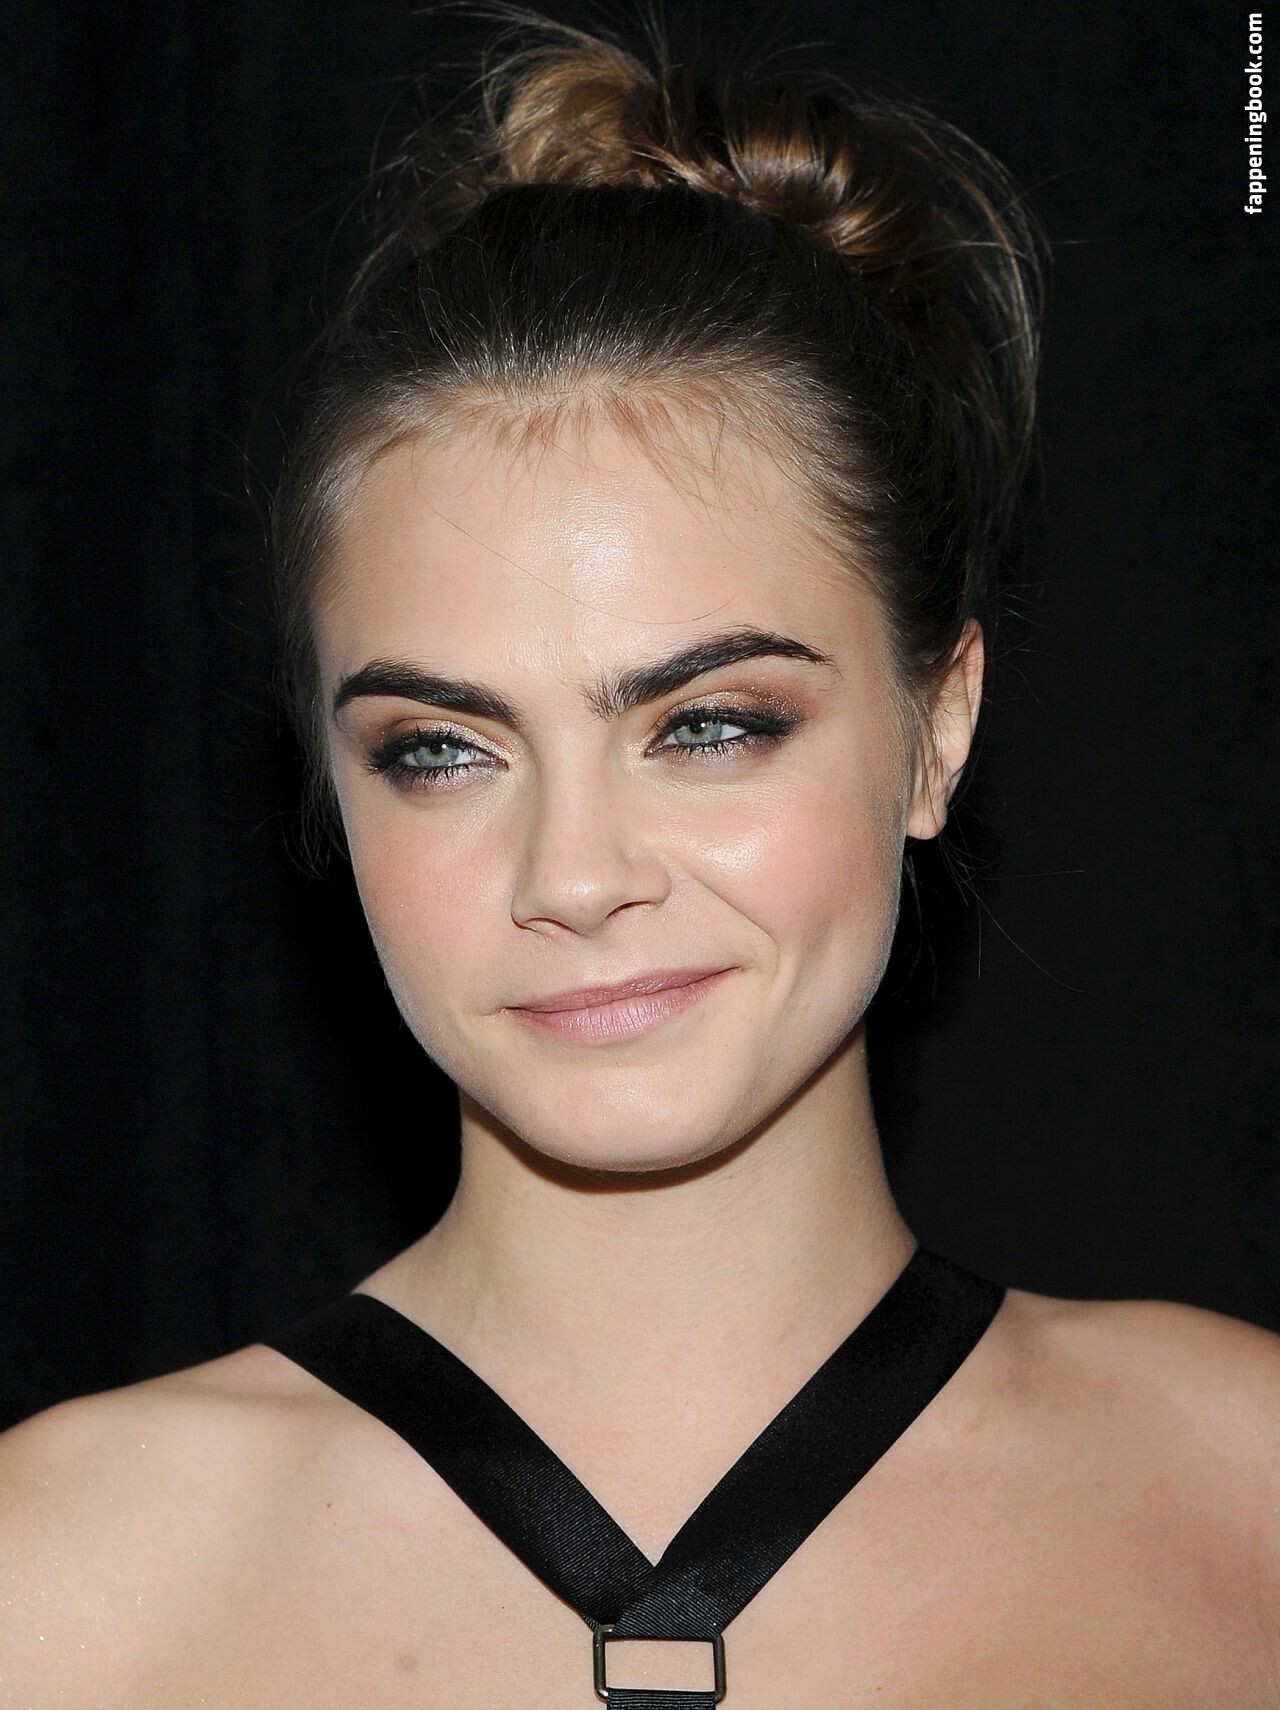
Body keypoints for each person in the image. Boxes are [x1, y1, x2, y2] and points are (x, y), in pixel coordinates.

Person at [2, 6, 1278, 1704]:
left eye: (710, 723)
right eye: (442, 748)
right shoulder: (54, 1575)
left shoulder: (1243, 1497)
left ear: (937, 723)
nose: (575, 872)